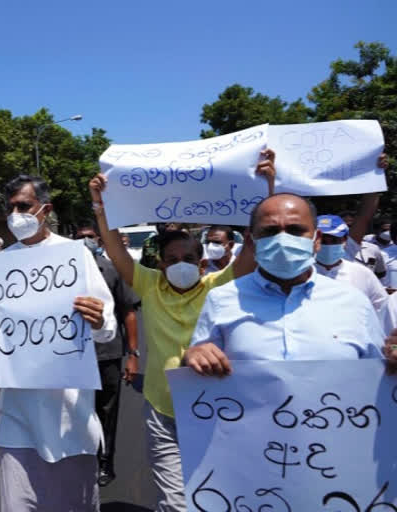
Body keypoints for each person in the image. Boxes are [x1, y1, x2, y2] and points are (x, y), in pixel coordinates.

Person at [89, 149, 275, 512]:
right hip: (163, 409)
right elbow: (114, 249)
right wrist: (100, 206)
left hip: (216, 407)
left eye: (188, 259)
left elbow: (255, 244)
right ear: (160, 264)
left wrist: (266, 189)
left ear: (202, 263)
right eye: (172, 260)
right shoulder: (149, 285)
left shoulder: (219, 285)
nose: (180, 265)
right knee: (175, 502)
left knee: (216, 490)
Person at [0, 175, 117, 512]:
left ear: (44, 209)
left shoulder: (73, 256)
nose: (15, 213)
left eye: (24, 206)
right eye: (11, 206)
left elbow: (107, 330)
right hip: (17, 415)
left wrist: (99, 318)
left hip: (69, 416)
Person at [184, 194, 384, 379]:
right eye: (270, 231)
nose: (283, 240)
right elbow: (198, 370)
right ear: (250, 242)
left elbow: (381, 375)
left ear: (317, 241)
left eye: (295, 230)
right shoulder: (221, 299)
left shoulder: (354, 302)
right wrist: (193, 357)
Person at [74, 224, 141, 487]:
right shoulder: (61, 271)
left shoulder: (111, 268)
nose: (85, 240)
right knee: (77, 411)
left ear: (99, 240)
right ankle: (81, 459)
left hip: (106, 354)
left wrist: (133, 354)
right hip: (72, 357)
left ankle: (105, 462)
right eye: (80, 237)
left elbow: (128, 312)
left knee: (106, 411)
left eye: (89, 237)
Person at [314, 214, 388, 317]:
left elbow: (382, 307)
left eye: (334, 241)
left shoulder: (362, 274)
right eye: (323, 241)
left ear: (345, 240)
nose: (328, 246)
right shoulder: (302, 274)